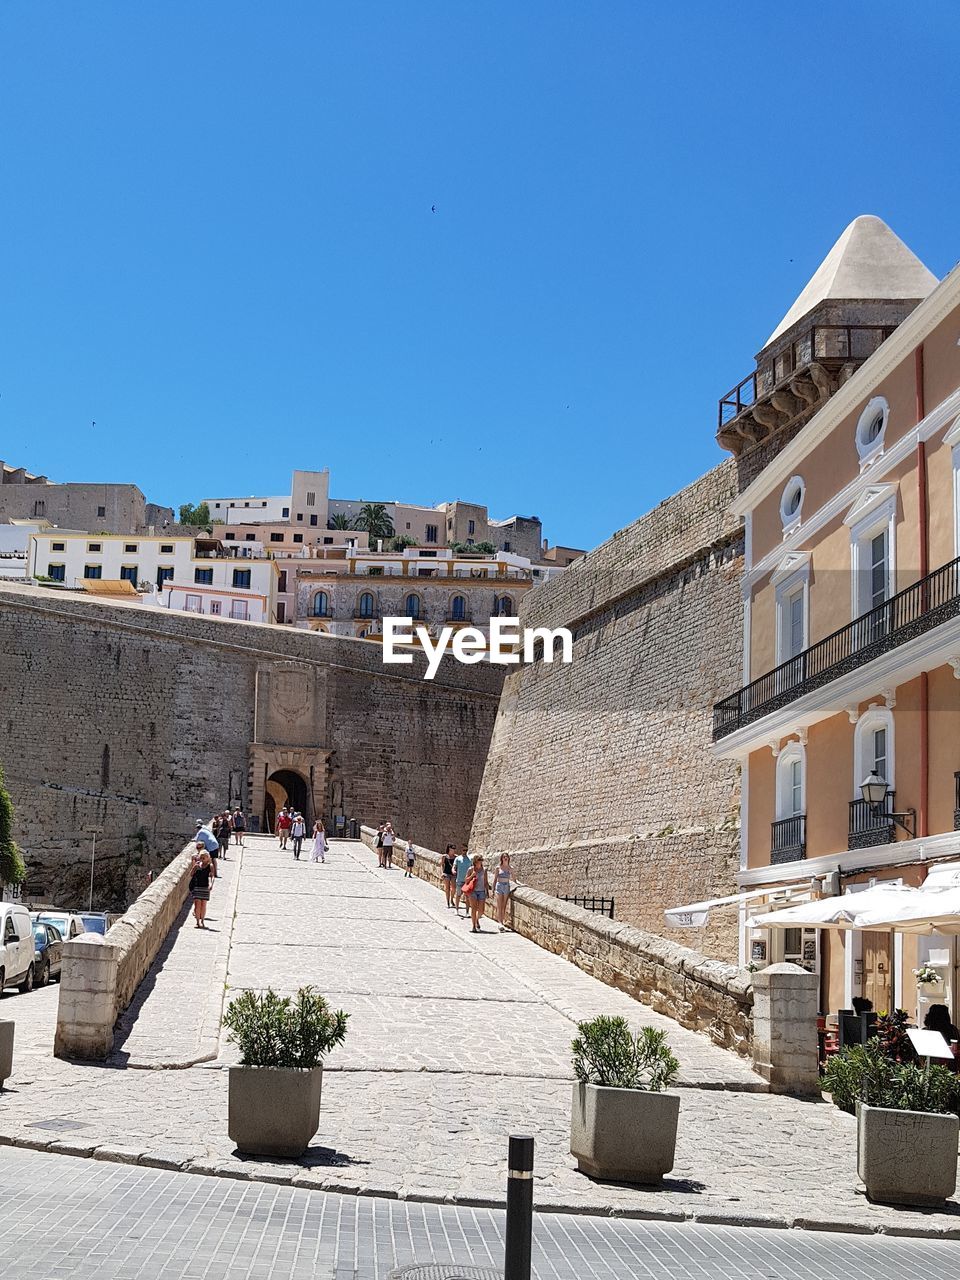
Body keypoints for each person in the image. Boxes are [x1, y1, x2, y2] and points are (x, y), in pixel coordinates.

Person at [463, 855, 490, 933]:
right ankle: (474, 926)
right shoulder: (471, 869)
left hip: (481, 891)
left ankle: (477, 919)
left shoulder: (484, 870)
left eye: (481, 860)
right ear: (475, 861)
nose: (480, 862)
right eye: (479, 860)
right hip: (473, 891)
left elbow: (485, 882)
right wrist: (472, 875)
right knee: (474, 909)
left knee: (481, 911)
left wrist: (487, 891)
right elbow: (466, 881)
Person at [189, 845, 213, 928]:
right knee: (197, 905)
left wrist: (211, 884)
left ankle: (202, 920)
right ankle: (197, 922)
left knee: (203, 905)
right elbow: (191, 874)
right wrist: (194, 867)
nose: (203, 859)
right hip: (197, 887)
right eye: (201, 857)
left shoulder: (210, 866)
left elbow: (211, 876)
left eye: (204, 858)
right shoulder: (197, 865)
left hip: (205, 887)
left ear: (208, 858)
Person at [492, 853, 516, 931]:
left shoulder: (510, 868)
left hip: (506, 886)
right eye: (504, 857)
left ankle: (502, 921)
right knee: (499, 905)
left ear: (508, 858)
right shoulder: (498, 868)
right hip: (499, 886)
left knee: (504, 905)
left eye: (506, 857)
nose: (505, 858)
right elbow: (495, 879)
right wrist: (493, 889)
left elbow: (514, 878)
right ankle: (500, 922)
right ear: (501, 859)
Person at [453, 846, 472, 915]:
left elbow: (472, 868)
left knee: (467, 897)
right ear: (461, 850)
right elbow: (454, 866)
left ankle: (467, 912)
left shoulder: (470, 859)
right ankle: (456, 909)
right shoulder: (458, 858)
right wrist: (453, 871)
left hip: (467, 881)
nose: (465, 851)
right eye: (464, 850)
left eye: (466, 850)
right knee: (458, 895)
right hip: (459, 880)